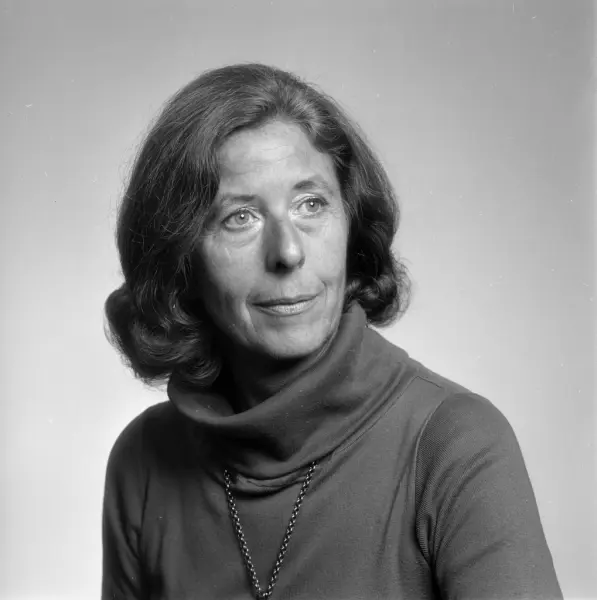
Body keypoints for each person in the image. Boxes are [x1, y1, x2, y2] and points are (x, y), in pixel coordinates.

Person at [102, 63, 563, 600]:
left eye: (311, 205)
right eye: (240, 217)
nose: (288, 252)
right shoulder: (144, 461)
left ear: (351, 222)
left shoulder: (455, 444)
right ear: (180, 259)